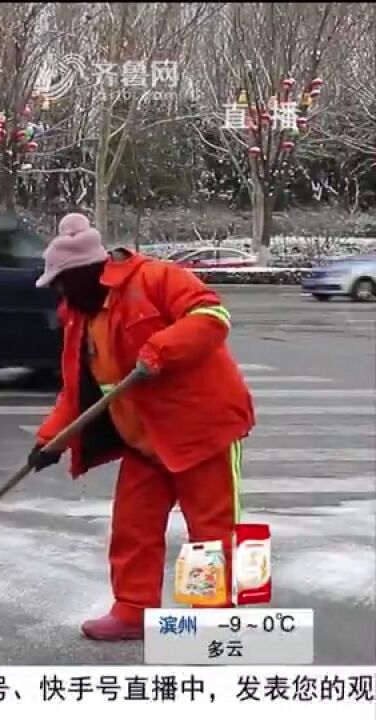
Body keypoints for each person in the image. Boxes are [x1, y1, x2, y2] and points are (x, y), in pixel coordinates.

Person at [28, 213, 254, 641]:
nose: (58, 291)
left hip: (201, 429)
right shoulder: (81, 314)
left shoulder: (156, 279)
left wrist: (161, 349)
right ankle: (133, 611)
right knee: (133, 526)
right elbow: (79, 389)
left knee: (210, 530)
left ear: (84, 273)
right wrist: (50, 440)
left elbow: (212, 315)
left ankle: (213, 618)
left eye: (61, 282)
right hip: (143, 439)